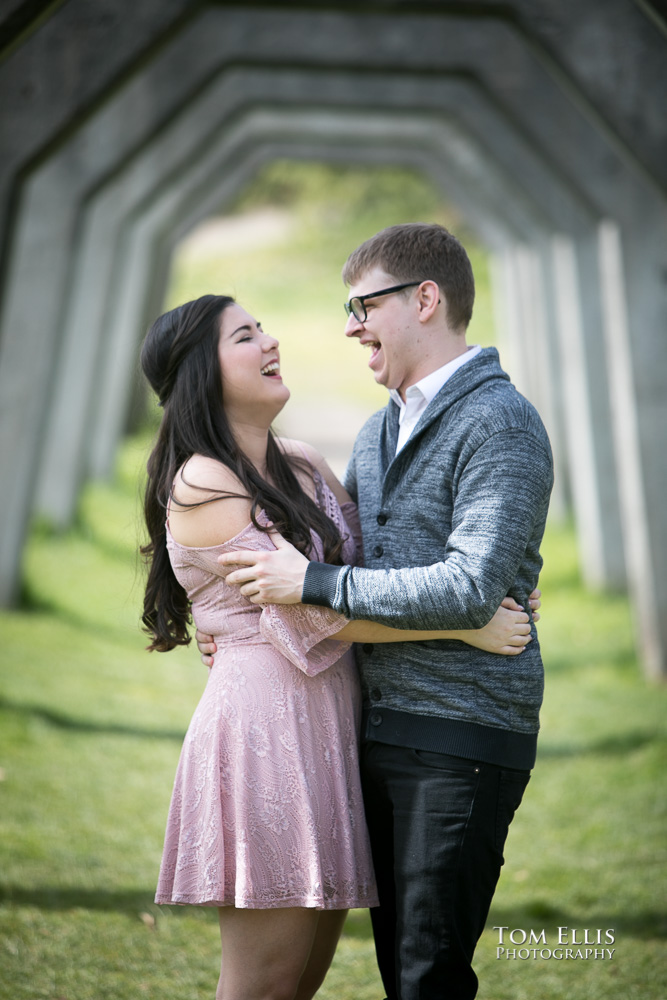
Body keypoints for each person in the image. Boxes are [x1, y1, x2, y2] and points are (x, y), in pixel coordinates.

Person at [140, 291, 540, 1000]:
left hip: (331, 732)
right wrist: (460, 622)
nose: (270, 342)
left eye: (263, 327)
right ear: (202, 371)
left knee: (298, 985)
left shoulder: (299, 464)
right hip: (266, 736)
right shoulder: (205, 480)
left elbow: (374, 569)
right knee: (262, 988)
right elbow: (308, 617)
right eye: (244, 337)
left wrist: (483, 583)